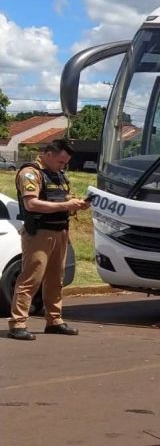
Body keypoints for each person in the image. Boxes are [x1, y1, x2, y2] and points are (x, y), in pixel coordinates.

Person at [8, 140, 89, 341]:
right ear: (48, 154)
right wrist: (65, 205)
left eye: (65, 163)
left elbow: (62, 199)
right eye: (61, 161)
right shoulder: (30, 173)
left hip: (60, 231)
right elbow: (32, 204)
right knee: (31, 278)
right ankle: (18, 323)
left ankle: (54, 320)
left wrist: (76, 205)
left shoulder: (59, 174)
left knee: (56, 279)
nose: (63, 166)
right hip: (40, 233)